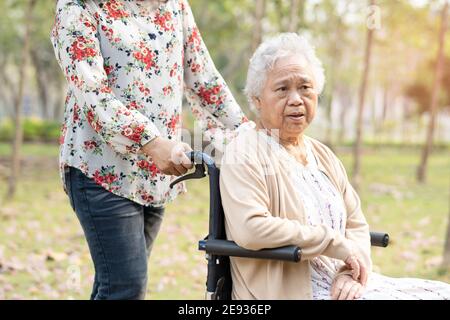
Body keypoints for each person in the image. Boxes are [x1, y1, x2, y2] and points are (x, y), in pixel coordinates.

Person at [219, 33, 450, 300]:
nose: (296, 99)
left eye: (305, 87)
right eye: (282, 89)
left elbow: (356, 225)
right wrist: (334, 242)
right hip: (294, 292)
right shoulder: (246, 151)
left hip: (341, 286)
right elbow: (251, 228)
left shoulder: (322, 154)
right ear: (257, 99)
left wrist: (349, 272)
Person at [50, 0, 248, 300]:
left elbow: (203, 78)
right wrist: (151, 142)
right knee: (125, 288)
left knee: (114, 286)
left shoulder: (174, 5)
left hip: (155, 175)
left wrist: (249, 136)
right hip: (101, 170)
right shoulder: (78, 6)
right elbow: (92, 93)